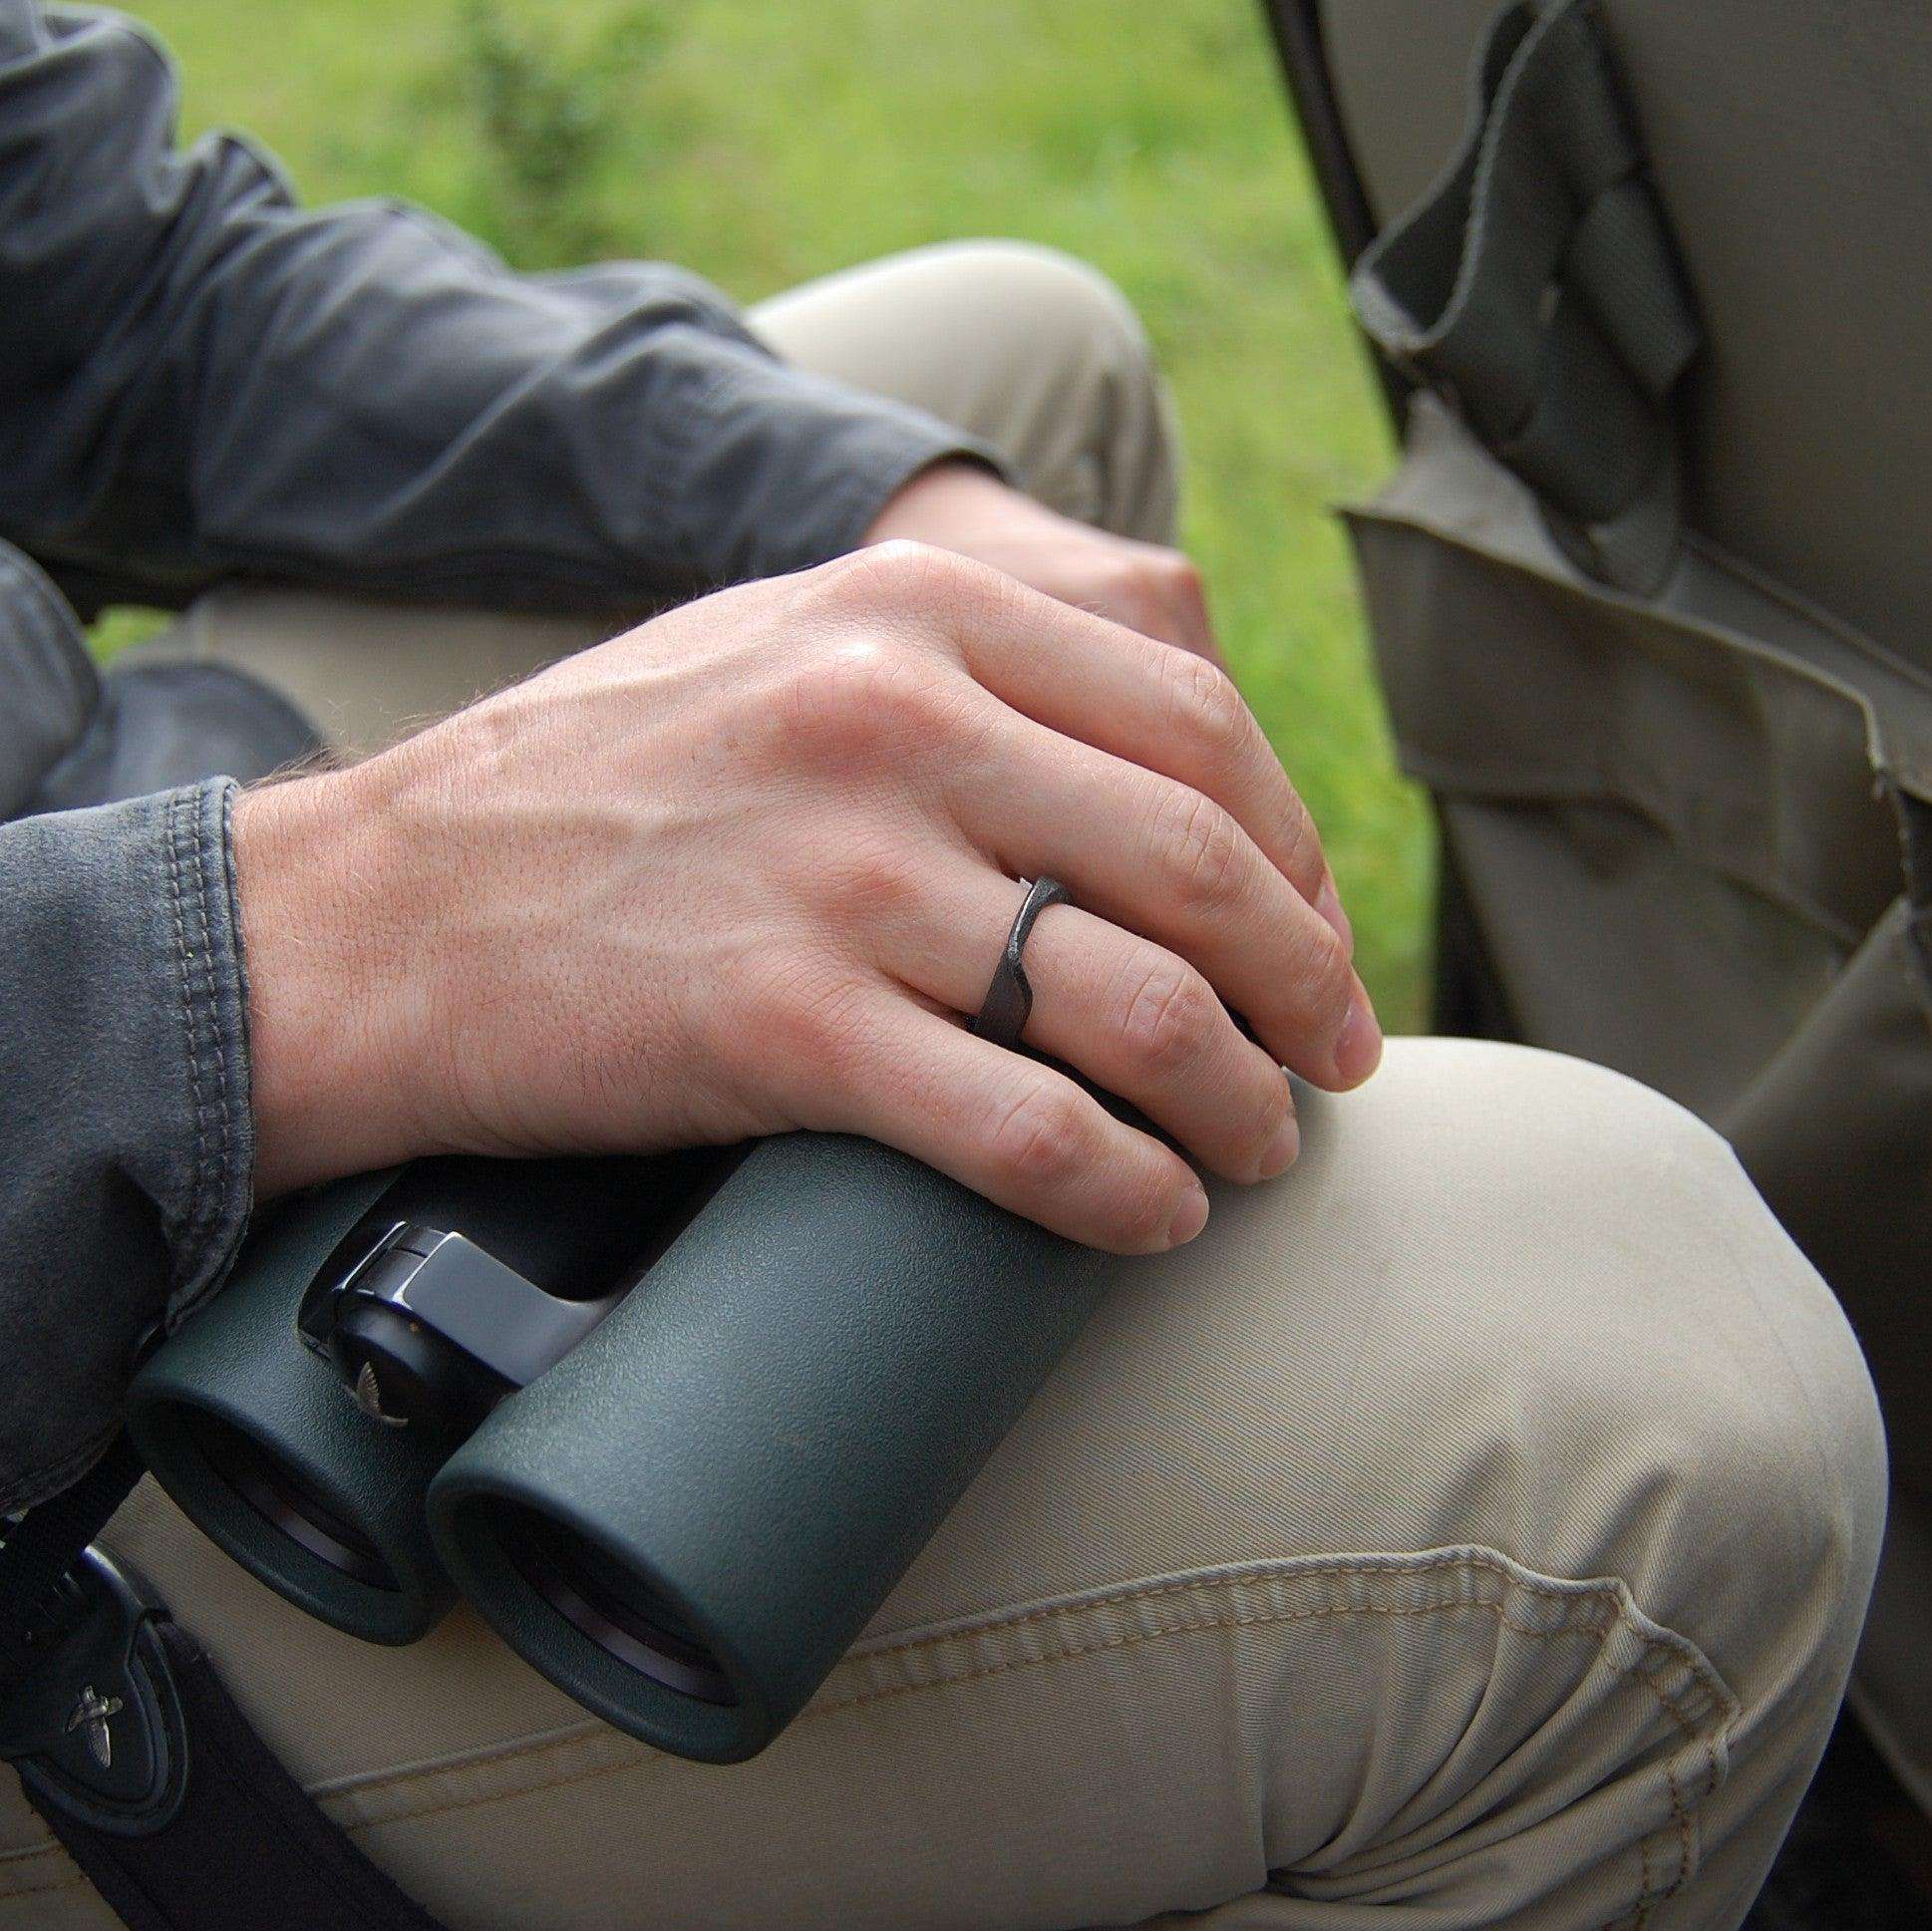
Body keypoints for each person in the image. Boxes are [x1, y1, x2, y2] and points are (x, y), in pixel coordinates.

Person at [0, 3, 1886, 1926]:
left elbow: (139, 287)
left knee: (1026, 374)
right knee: (1656, 1384)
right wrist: (313, 943)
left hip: (84, 805)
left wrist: (888, 503)